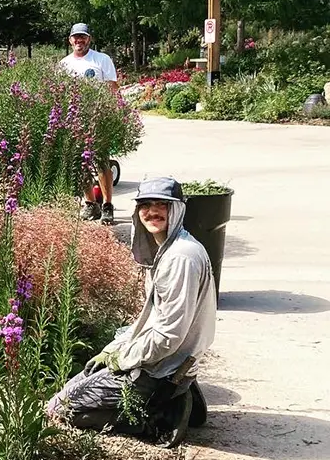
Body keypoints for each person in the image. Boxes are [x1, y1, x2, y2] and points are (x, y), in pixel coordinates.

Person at [46, 177, 216, 443]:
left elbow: (168, 336)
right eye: (146, 205)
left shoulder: (181, 258)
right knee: (65, 392)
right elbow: (151, 321)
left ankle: (155, 418)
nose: (153, 211)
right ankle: (177, 399)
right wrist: (111, 350)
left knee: (62, 410)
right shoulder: (170, 249)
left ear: (178, 209)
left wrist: (122, 359)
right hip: (163, 363)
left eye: (163, 204)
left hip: (160, 370)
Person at [58, 23, 119, 224]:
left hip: (98, 117)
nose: (79, 41)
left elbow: (112, 88)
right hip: (75, 119)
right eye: (75, 37)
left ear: (89, 39)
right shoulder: (64, 64)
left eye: (82, 37)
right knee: (81, 163)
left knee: (102, 162)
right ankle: (90, 204)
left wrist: (113, 113)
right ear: (70, 40)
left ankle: (108, 205)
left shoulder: (101, 59)